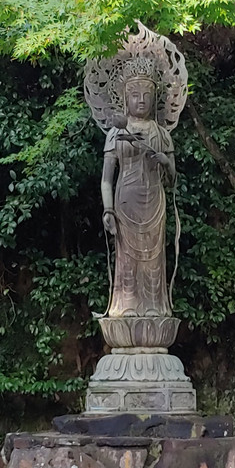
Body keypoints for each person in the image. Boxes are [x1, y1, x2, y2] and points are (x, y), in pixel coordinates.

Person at [100, 61, 176, 318]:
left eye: (147, 95)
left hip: (155, 200)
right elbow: (106, 179)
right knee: (127, 258)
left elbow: (173, 179)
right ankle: (126, 306)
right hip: (125, 203)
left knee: (154, 258)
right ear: (125, 98)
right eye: (135, 95)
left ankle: (155, 308)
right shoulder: (115, 134)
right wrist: (107, 210)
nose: (141, 101)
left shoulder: (162, 134)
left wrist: (166, 162)